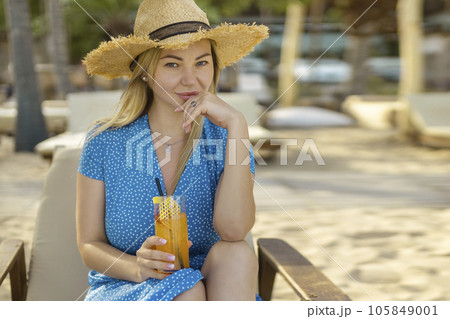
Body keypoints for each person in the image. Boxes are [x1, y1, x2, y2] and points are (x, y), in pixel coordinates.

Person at [76, 0, 268, 301]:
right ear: (144, 71)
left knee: (237, 255)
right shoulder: (104, 141)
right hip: (129, 286)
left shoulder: (227, 138)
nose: (190, 80)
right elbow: (89, 244)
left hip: (215, 286)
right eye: (172, 64)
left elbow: (234, 230)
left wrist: (237, 124)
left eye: (202, 63)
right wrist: (136, 266)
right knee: (187, 290)